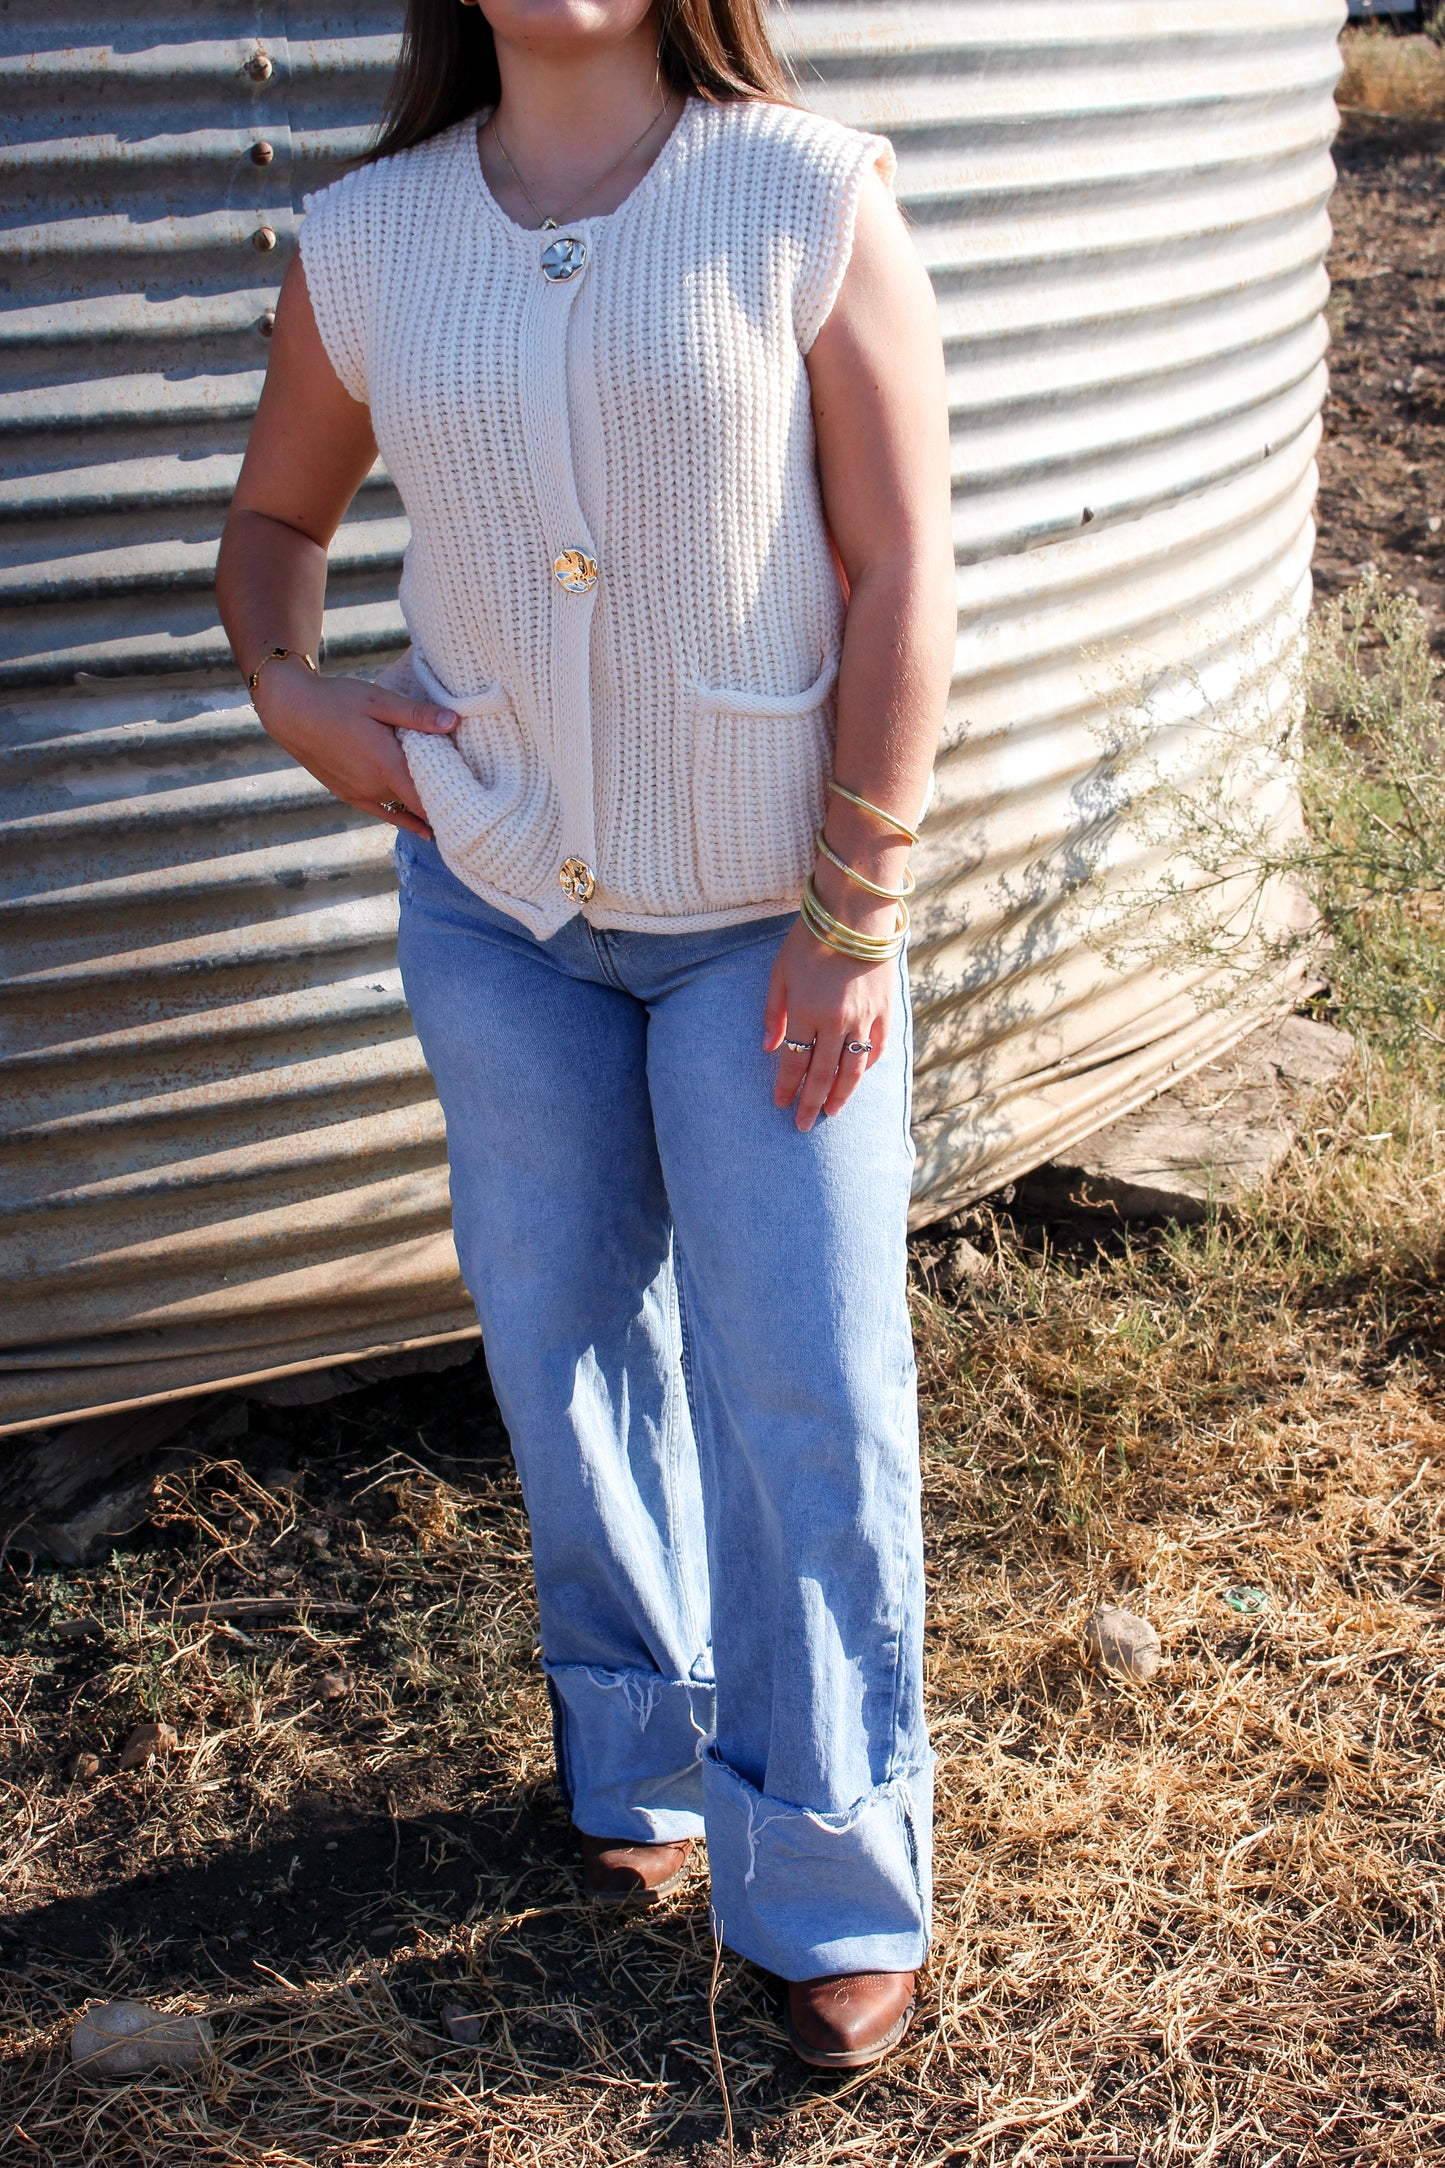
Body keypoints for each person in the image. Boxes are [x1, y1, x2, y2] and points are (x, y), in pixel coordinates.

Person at [216, 0, 953, 2072]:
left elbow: (905, 570)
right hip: (504, 910)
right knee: (559, 1343)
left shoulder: (801, 195)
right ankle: (634, 1757)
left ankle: (822, 1864)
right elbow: (272, 529)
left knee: (803, 1379)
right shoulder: (366, 236)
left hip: (765, 928)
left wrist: (850, 909)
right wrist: (294, 693)